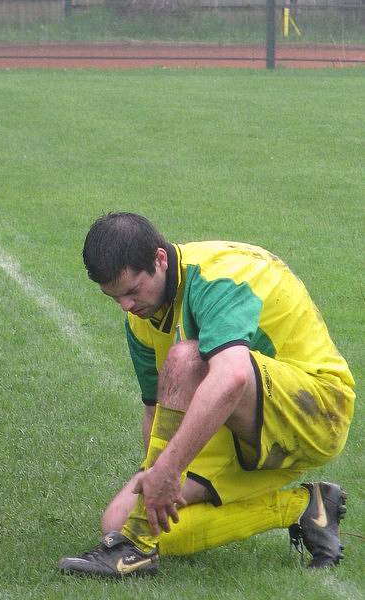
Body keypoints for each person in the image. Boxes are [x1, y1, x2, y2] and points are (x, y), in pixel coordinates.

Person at [59, 212, 354, 577]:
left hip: (317, 412)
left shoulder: (218, 276)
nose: (126, 306)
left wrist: (169, 470)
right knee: (117, 523)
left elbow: (231, 377)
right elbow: (155, 413)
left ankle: (136, 549)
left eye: (133, 291)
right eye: (114, 297)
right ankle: (303, 507)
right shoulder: (139, 318)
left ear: (160, 259)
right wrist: (153, 483)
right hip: (239, 422)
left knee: (186, 357)